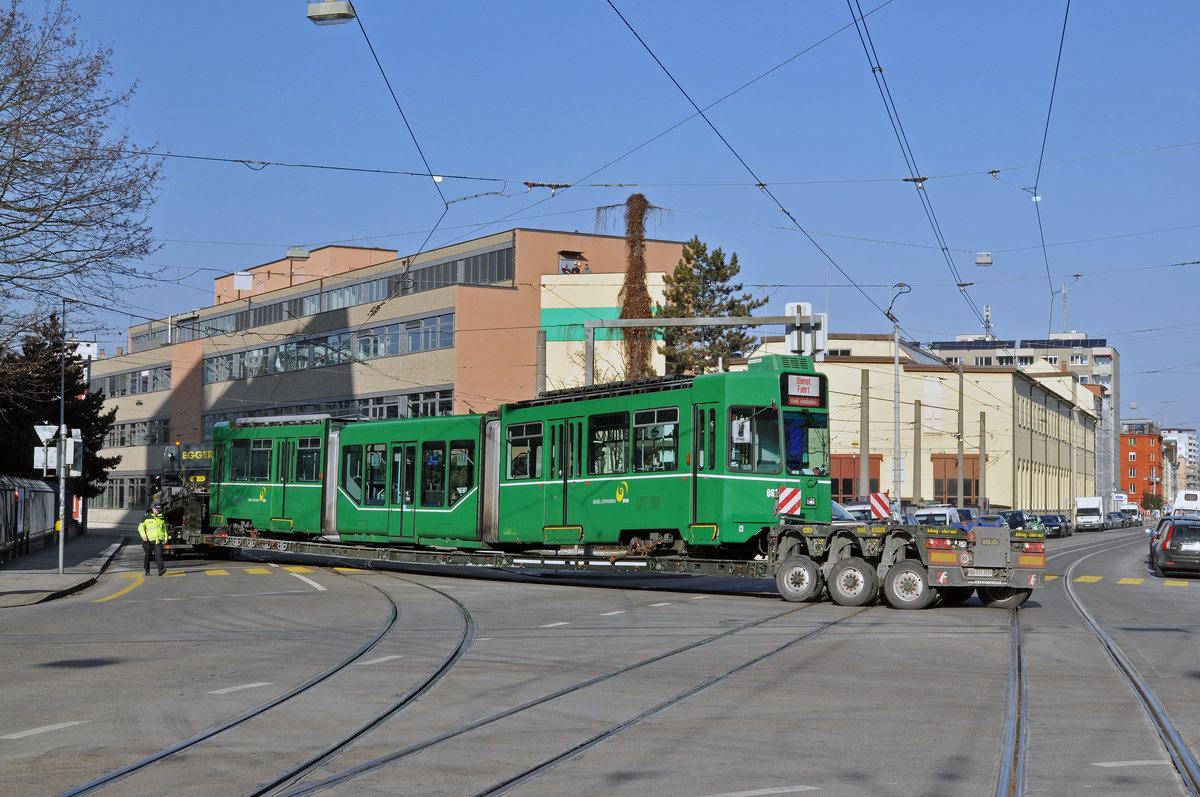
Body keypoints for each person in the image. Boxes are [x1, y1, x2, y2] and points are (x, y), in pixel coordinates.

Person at [138, 502, 168, 576]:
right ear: (153, 509)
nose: (158, 512)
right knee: (148, 556)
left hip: (158, 540)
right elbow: (140, 527)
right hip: (148, 541)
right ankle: (147, 570)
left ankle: (161, 570)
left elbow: (164, 529)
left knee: (159, 555)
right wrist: (143, 536)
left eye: (159, 510)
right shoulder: (146, 517)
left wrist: (165, 538)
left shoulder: (161, 518)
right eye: (157, 510)